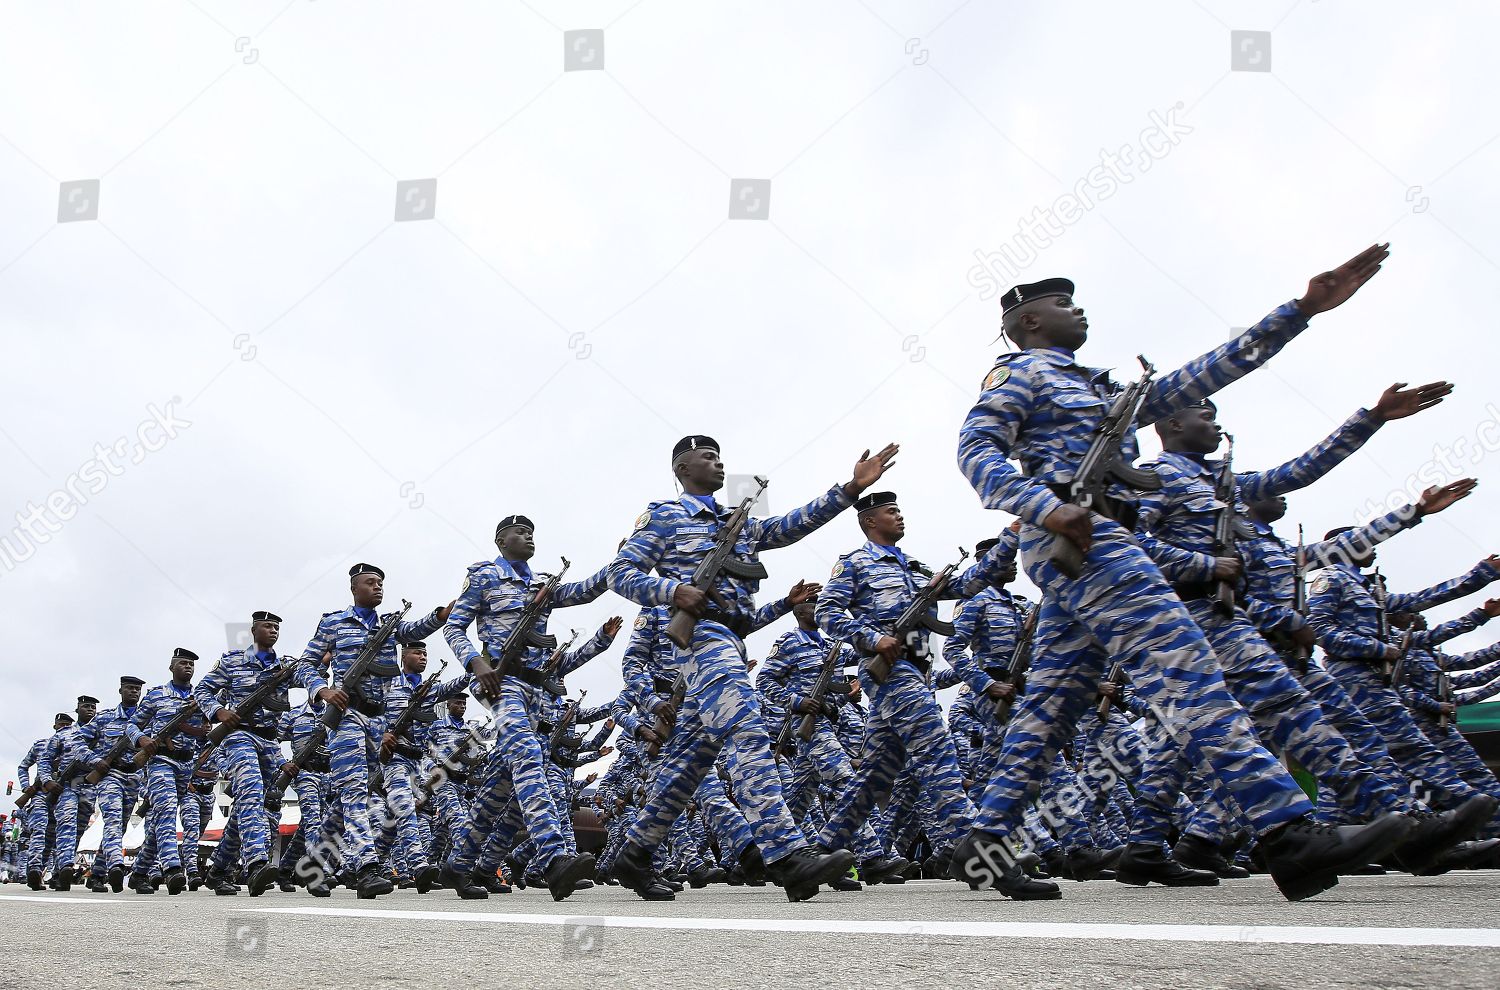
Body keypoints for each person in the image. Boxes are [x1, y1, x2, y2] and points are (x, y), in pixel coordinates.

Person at [953, 249, 1415, 902]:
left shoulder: (1100, 389)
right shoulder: (1016, 375)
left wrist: (1301, 310)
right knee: (1190, 667)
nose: (1077, 309)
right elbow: (975, 452)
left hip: (1086, 548)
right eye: (1062, 303)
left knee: (1049, 709)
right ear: (1028, 322)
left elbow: (1208, 371)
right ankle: (1288, 833)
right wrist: (1045, 507)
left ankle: (986, 836)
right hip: (1084, 538)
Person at [605, 435, 896, 902]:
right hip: (701, 638)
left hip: (731, 641)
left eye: (721, 458)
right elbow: (620, 573)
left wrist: (847, 490)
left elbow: (789, 526)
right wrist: (673, 592)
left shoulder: (735, 521)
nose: (719, 464)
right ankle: (788, 857)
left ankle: (635, 853)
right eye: (707, 458)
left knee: (689, 764)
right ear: (682, 468)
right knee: (747, 733)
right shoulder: (666, 514)